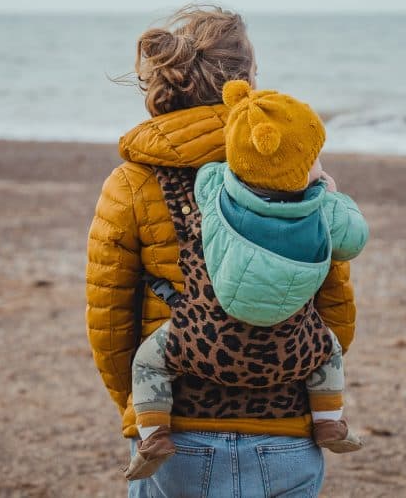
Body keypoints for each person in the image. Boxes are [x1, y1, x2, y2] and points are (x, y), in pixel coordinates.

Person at [85, 5, 358, 497]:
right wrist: (299, 376)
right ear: (247, 80)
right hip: (286, 431)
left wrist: (139, 408)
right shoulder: (297, 176)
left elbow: (108, 322)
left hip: (175, 428)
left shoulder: (131, 182)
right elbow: (332, 303)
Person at [126, 80, 369, 479]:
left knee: (149, 362)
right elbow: (352, 240)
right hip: (295, 341)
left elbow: (209, 179)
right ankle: (329, 421)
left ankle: (154, 434)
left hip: (202, 339)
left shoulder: (214, 187)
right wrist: (332, 194)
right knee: (329, 351)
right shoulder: (321, 210)